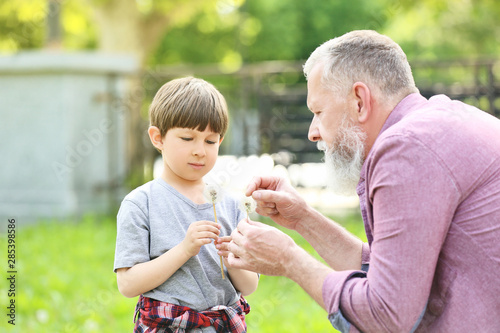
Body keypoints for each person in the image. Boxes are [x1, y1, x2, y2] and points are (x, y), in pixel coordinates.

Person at [226, 30, 500, 332]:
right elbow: (394, 274)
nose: (312, 132)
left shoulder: (406, 147)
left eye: (318, 111)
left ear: (359, 101)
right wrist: (303, 218)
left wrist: (289, 260)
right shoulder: (436, 121)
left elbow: (385, 316)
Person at [114, 77, 259, 333]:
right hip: (168, 325)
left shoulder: (232, 205)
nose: (199, 151)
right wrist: (184, 249)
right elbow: (128, 284)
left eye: (210, 141)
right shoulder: (141, 204)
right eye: (187, 138)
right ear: (157, 138)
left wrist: (230, 257)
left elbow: (248, 286)